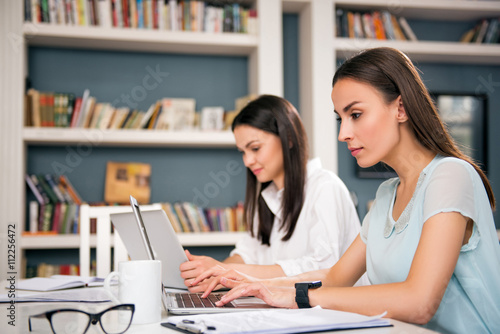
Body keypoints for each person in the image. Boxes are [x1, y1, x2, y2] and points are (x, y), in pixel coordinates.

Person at [191, 48, 500, 334]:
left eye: (356, 115)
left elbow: (419, 303)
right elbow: (337, 277)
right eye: (341, 118)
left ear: (401, 108)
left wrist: (297, 296)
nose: (343, 134)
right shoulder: (387, 195)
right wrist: (258, 283)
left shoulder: (451, 176)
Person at [180, 94, 368, 291]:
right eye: (243, 151)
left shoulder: (325, 187)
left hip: (335, 314)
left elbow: (322, 268)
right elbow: (247, 254)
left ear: (288, 139)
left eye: (255, 148)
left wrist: (224, 269)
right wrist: (215, 276)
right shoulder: (268, 197)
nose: (247, 161)